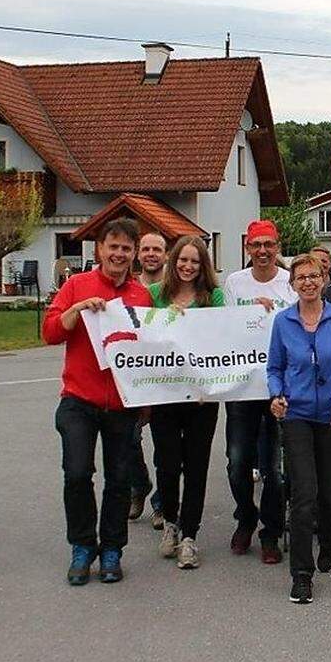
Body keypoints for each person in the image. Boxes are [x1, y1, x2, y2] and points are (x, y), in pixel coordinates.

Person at [43, 217, 152, 585]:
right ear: (99, 250)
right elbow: (50, 333)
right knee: (77, 473)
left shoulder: (141, 295)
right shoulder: (77, 285)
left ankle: (112, 550)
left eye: (126, 248)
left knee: (119, 479)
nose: (119, 254)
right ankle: (82, 546)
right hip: (79, 400)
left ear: (134, 254)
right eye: (113, 247)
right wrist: (75, 311)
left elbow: (153, 346)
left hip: (123, 404)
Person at [267, 254, 331, 604]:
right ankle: (301, 573)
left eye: (314, 276)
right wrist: (276, 394)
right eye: (301, 277)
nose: (308, 282)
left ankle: (327, 542)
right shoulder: (283, 321)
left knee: (329, 491)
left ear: (324, 279)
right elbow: (274, 367)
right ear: (292, 284)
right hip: (297, 414)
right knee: (303, 493)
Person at [145, 236, 224, 569]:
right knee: (166, 462)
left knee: (196, 466)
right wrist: (163, 319)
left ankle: (190, 535)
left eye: (194, 261)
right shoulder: (155, 295)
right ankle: (171, 523)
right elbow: (140, 332)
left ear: (202, 265)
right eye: (182, 261)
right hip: (165, 394)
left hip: (202, 399)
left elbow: (225, 338)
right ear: (172, 262)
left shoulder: (214, 298)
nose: (188, 266)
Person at [222, 220, 298, 564]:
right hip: (242, 387)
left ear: (277, 246)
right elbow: (220, 330)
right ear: (247, 248)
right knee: (238, 462)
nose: (263, 251)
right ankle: (245, 516)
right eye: (256, 245)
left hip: (279, 386)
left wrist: (276, 309)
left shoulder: (290, 283)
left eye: (268, 244)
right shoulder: (234, 283)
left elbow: (302, 321)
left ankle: (270, 530)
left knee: (275, 467)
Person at [129, 232, 166, 526]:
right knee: (129, 439)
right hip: (135, 377)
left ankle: (161, 504)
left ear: (166, 254)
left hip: (168, 377)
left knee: (165, 447)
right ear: (138, 255)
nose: (151, 253)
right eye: (146, 249)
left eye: (157, 249)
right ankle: (139, 484)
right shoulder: (126, 288)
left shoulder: (175, 288)